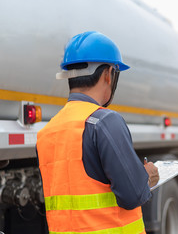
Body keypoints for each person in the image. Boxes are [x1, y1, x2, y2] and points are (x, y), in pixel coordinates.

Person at [36, 31, 159, 234]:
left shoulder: (47, 132)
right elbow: (132, 195)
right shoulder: (104, 121)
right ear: (108, 75)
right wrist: (147, 176)